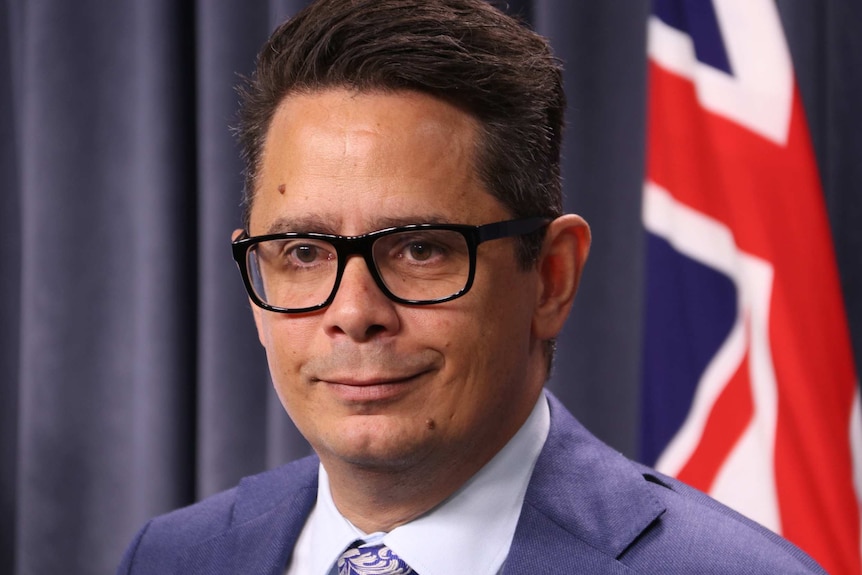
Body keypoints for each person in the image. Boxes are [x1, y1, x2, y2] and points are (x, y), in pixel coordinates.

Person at [117, 0, 827, 573]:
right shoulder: (173, 556)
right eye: (303, 251)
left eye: (419, 249)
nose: (354, 312)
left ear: (551, 277)